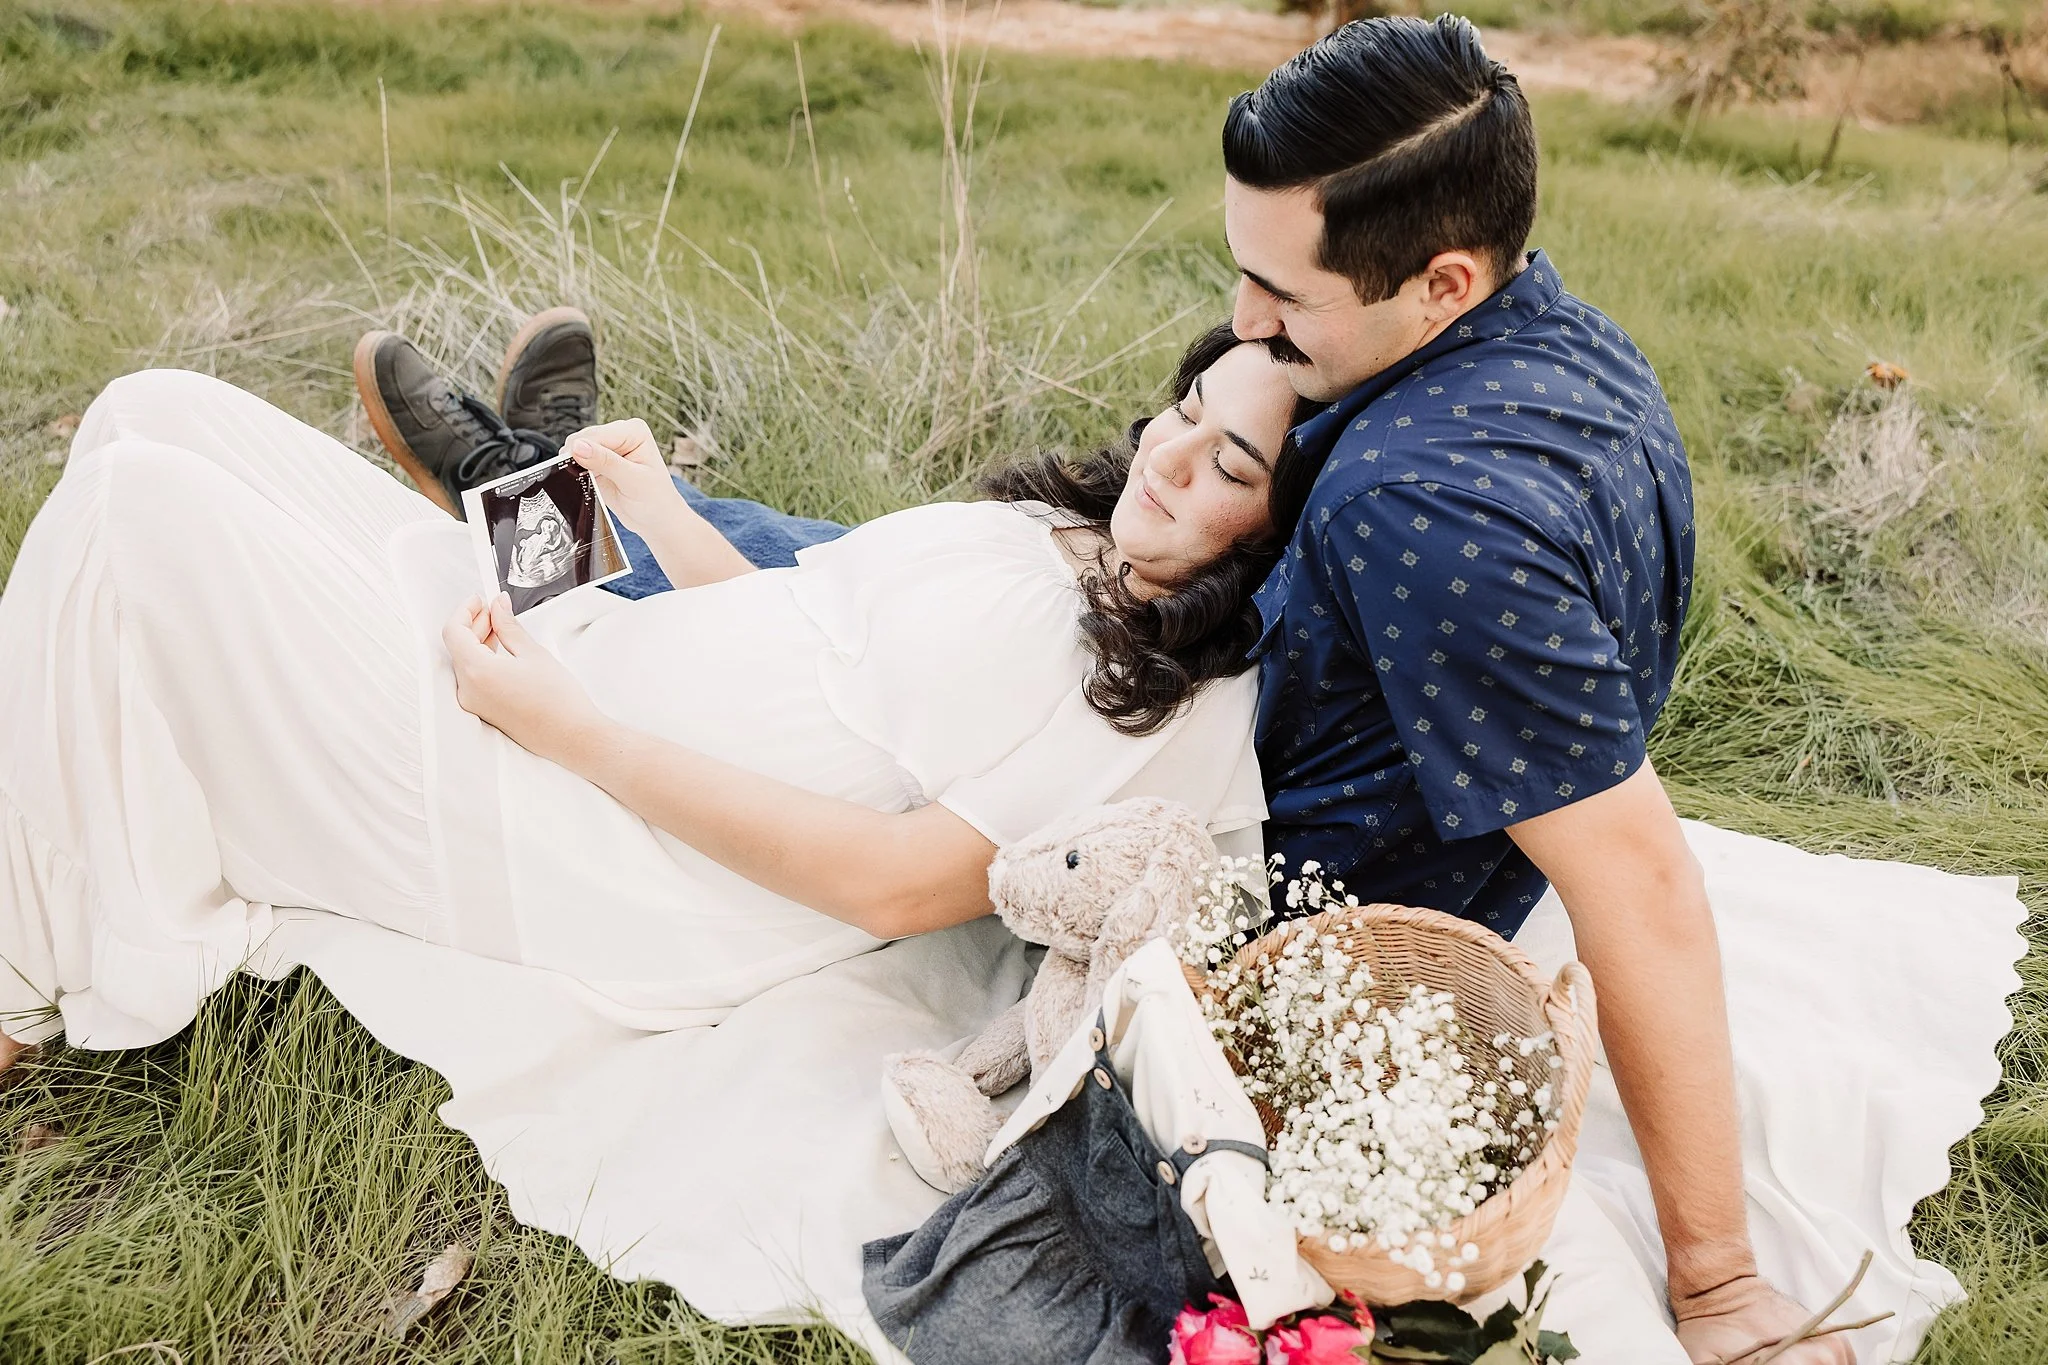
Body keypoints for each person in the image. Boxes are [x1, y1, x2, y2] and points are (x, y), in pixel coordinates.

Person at [347, 18, 1847, 1364]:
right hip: (1213, 685)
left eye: (1281, 293)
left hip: (1193, 830)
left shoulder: (1428, 515)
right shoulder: (1561, 340)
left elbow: (1637, 875)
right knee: (882, 578)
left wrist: (1717, 1281)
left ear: (1445, 279)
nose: (1243, 319)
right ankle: (541, 487)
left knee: (850, 623)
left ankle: (522, 500)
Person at [0, 325, 1316, 1078]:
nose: (1170, 456)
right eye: (1185, 411)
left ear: (1282, 534)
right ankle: (532, 480)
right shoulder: (1059, 532)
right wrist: (661, 509)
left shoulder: (1144, 698)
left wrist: (572, 735)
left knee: (136, 509)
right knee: (149, 409)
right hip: (585, 681)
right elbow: (802, 628)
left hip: (586, 834)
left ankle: (10, 980)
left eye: (1230, 465)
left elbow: (893, 887)